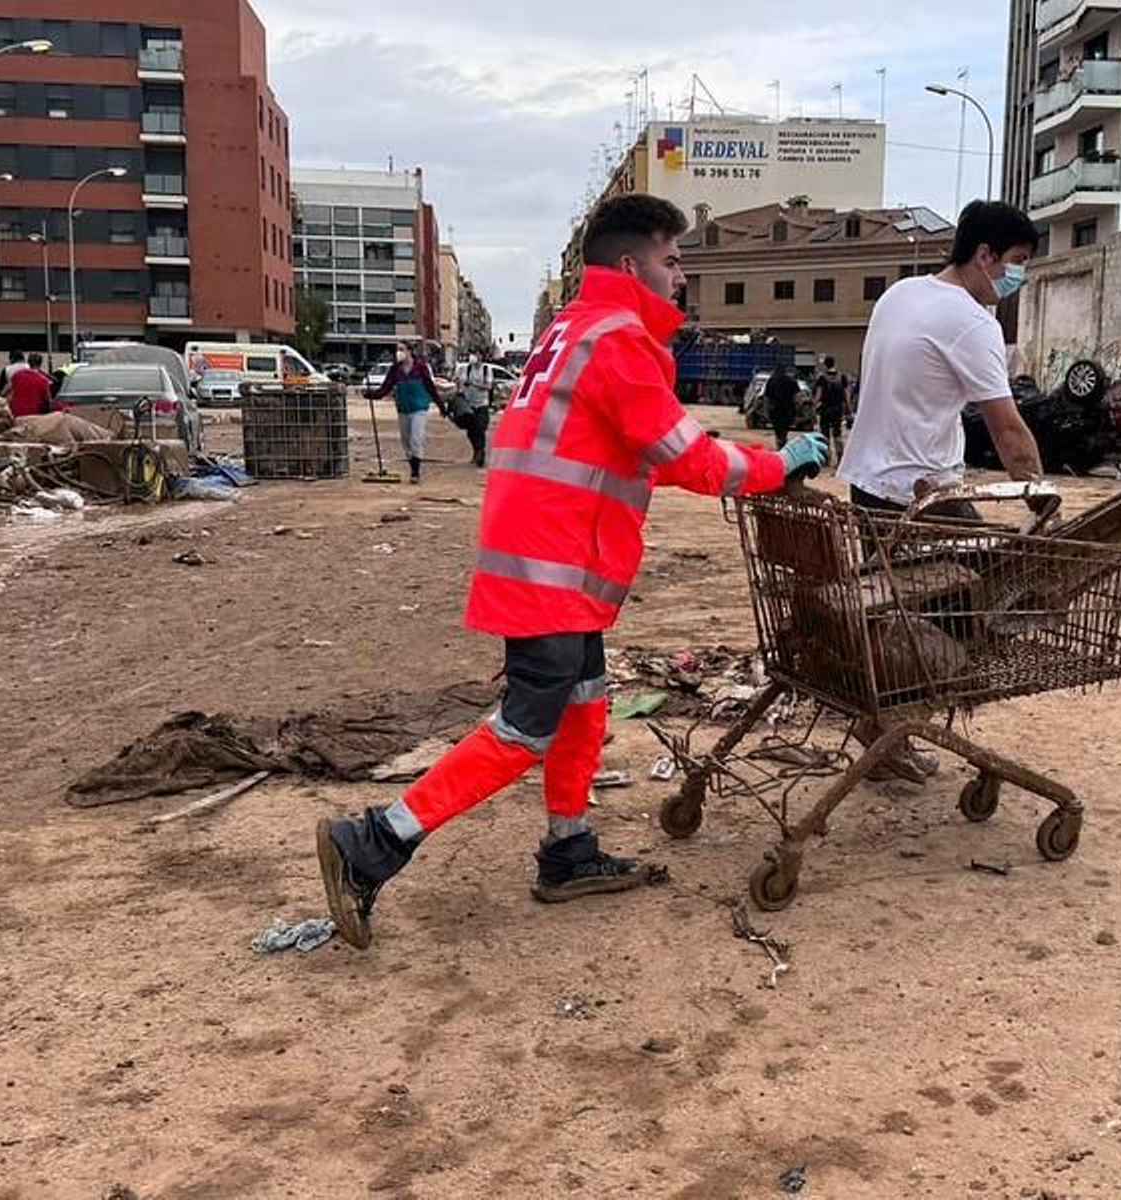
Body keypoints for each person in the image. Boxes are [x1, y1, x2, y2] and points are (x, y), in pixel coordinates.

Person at [314, 192, 828, 949]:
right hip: (554, 562)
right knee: (528, 726)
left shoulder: (575, 330)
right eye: (672, 260)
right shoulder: (619, 340)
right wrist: (776, 462)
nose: (681, 276)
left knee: (587, 698)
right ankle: (376, 842)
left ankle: (568, 849)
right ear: (632, 265)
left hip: (550, 558)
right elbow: (685, 455)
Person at [838, 199, 1047, 522]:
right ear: (984, 255)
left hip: (867, 485)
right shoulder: (974, 322)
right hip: (921, 494)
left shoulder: (899, 294)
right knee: (998, 568)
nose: (1020, 274)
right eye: (1017, 260)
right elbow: (1007, 431)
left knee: (886, 573)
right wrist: (1044, 504)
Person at [365, 342, 441, 483]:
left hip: (419, 408)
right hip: (403, 409)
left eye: (401, 349)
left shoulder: (421, 368)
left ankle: (415, 472)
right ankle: (412, 466)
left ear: (410, 351)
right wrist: (372, 394)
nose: (398, 353)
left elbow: (431, 388)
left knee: (415, 439)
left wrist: (441, 406)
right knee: (406, 441)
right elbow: (385, 388)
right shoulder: (395, 370)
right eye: (397, 350)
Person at [814, 356, 851, 464]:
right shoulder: (841, 376)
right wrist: (848, 409)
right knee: (837, 434)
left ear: (825, 364)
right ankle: (840, 460)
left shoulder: (822, 378)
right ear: (834, 364)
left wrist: (814, 407)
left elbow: (818, 395)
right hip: (838, 409)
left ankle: (826, 459)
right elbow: (846, 394)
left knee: (825, 435)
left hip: (825, 409)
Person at [460, 353, 493, 467]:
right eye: (471, 355)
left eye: (475, 354)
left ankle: (481, 453)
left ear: (480, 356)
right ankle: (476, 450)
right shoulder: (467, 368)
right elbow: (462, 382)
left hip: (482, 404)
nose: (473, 357)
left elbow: (488, 386)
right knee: (471, 431)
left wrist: (474, 384)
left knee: (480, 428)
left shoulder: (486, 369)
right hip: (469, 404)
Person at [5, 353, 56, 418]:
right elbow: (48, 401)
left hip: (16, 414)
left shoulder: (17, 375)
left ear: (28, 362)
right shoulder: (44, 380)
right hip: (34, 415)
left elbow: (5, 391)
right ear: (40, 363)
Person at [763, 364, 800, 449]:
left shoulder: (771, 381)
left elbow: (766, 398)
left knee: (778, 431)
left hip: (775, 410)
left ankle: (780, 446)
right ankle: (783, 446)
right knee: (784, 431)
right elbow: (797, 397)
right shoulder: (791, 380)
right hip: (788, 410)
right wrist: (797, 409)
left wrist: (765, 411)